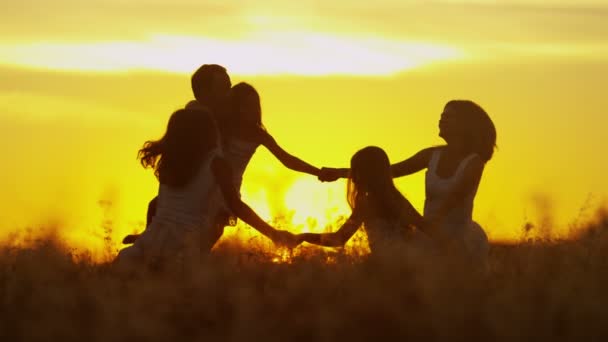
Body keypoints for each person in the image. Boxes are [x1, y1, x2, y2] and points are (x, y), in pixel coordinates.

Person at [319, 100, 496, 267]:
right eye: (442, 115)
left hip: (456, 234)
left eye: (448, 116)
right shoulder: (431, 155)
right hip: (428, 231)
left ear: (463, 125)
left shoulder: (474, 162)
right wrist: (340, 172)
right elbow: (387, 171)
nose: (441, 119)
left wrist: (430, 228)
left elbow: (454, 198)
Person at [115, 108, 295, 269]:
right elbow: (236, 206)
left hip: (149, 243)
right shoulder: (216, 163)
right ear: (208, 132)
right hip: (184, 248)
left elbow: (157, 205)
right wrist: (274, 234)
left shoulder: (170, 162)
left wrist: (145, 235)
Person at [297, 146, 432, 255]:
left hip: (398, 270)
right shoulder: (392, 198)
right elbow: (426, 227)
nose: (353, 179)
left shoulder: (371, 203)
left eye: (356, 172)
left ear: (369, 174)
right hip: (399, 266)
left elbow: (339, 238)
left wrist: (303, 237)